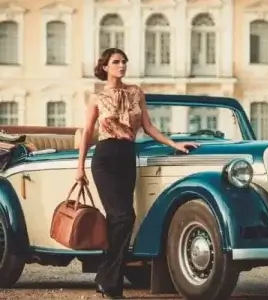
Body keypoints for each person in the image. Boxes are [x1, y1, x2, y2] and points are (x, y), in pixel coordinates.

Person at [76, 48, 199, 299]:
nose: (122, 66)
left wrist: (173, 144)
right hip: (105, 157)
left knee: (120, 220)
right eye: (116, 62)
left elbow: (148, 126)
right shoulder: (97, 98)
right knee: (123, 216)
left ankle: (106, 278)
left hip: (127, 156)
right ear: (105, 67)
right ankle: (109, 280)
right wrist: (79, 167)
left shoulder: (136, 92)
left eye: (124, 62)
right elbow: (87, 132)